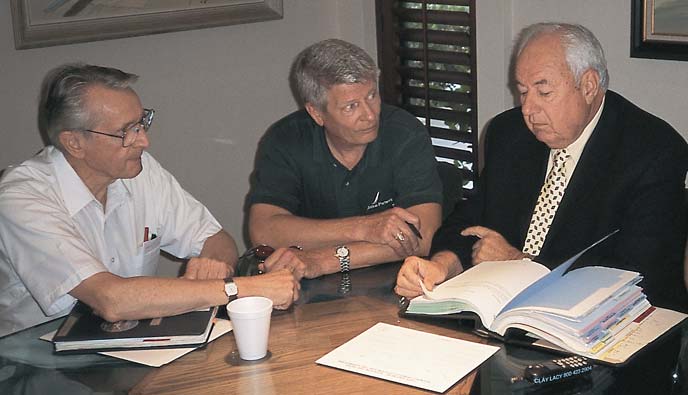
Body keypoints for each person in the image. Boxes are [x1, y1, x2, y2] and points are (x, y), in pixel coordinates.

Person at [395, 23, 688, 312]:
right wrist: (441, 265)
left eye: (543, 92)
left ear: (588, 85)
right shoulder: (508, 134)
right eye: (523, 92)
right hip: (506, 316)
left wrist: (520, 264)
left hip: (616, 326)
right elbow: (470, 220)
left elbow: (638, 275)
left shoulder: (654, 152)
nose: (528, 110)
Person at [0, 63, 304, 337]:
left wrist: (216, 266)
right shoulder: (21, 198)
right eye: (126, 132)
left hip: (129, 343)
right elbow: (111, 299)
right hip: (34, 361)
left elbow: (216, 238)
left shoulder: (140, 171)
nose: (144, 140)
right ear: (74, 143)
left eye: (142, 122)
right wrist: (239, 289)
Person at [246, 39, 443, 279]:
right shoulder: (285, 140)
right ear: (317, 113)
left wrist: (324, 260)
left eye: (372, 96)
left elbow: (424, 236)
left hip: (395, 278)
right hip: (309, 287)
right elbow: (264, 230)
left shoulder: (405, 133)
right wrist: (365, 227)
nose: (370, 115)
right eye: (351, 106)